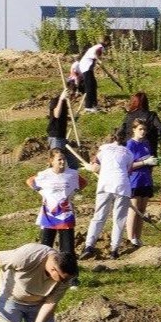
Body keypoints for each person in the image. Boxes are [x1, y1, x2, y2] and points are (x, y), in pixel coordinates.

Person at [26, 149, 86, 288]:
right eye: (59, 159)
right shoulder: (45, 175)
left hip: (65, 215)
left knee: (68, 248)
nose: (62, 161)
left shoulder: (71, 174)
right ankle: (43, 275)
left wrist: (73, 193)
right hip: (49, 215)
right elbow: (30, 181)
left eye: (63, 159)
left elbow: (83, 182)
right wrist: (41, 192)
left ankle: (72, 278)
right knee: (45, 247)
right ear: (51, 161)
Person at [79, 130, 134, 260]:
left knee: (99, 217)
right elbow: (128, 171)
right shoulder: (129, 153)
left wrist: (87, 166)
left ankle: (89, 246)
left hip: (105, 185)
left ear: (112, 139)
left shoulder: (103, 150)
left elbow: (94, 168)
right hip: (123, 187)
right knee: (119, 220)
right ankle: (114, 250)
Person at [125, 119, 160, 247]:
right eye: (140, 129)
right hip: (134, 180)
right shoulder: (130, 145)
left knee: (142, 209)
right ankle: (130, 237)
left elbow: (148, 158)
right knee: (134, 210)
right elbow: (128, 165)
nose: (143, 132)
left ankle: (138, 237)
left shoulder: (146, 144)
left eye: (144, 129)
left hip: (146, 179)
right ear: (134, 129)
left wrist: (152, 162)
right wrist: (144, 162)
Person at [118, 91, 161, 157]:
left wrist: (122, 144)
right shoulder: (151, 115)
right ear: (146, 103)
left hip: (130, 148)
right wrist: (156, 138)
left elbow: (121, 131)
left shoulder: (129, 115)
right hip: (147, 148)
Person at [47, 86, 80, 170]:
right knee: (55, 165)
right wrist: (61, 99)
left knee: (73, 163)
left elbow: (61, 118)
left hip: (62, 137)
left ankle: (72, 180)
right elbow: (56, 114)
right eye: (72, 94)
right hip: (56, 137)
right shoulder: (56, 101)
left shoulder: (66, 103)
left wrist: (72, 119)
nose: (74, 97)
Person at [78, 35, 110, 113]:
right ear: (106, 41)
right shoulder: (100, 47)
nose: (109, 43)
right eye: (109, 41)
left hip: (86, 66)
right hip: (86, 67)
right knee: (89, 86)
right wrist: (98, 60)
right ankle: (88, 107)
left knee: (93, 85)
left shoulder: (97, 46)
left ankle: (94, 104)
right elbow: (96, 53)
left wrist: (97, 60)